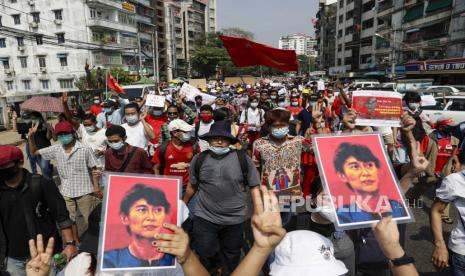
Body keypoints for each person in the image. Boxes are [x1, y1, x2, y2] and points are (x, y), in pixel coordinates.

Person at [190, 121, 260, 275]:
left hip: (235, 219)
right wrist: (181, 204)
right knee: (205, 254)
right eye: (215, 138)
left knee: (231, 255)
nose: (219, 141)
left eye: (223, 138)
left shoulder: (243, 159)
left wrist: (257, 212)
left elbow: (254, 186)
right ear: (208, 141)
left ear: (230, 141)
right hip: (205, 217)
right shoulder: (199, 159)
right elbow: (192, 186)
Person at [0, 145, 76, 276]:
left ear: (20, 162)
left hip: (45, 255)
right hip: (12, 258)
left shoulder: (41, 183)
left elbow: (61, 215)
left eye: (4, 166)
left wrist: (70, 244)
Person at [28, 121, 101, 242]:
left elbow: (94, 169)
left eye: (65, 133)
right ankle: (77, 242)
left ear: (72, 133)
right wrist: (31, 137)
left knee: (91, 219)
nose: (63, 136)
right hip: (66, 192)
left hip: (85, 191)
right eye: (60, 134)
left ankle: (95, 242)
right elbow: (34, 152)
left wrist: (97, 187)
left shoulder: (84, 149)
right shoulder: (56, 149)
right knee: (70, 220)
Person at [103, 184, 175, 268]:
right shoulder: (109, 260)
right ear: (125, 218)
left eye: (158, 210)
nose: (151, 217)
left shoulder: (175, 256)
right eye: (142, 210)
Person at [333, 143, 407, 223]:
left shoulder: (397, 206)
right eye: (355, 167)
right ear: (342, 176)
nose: (365, 172)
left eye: (369, 165)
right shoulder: (343, 216)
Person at [152, 119, 198, 204]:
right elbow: (156, 167)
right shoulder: (163, 148)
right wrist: (159, 184)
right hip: (168, 188)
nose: (188, 134)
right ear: (174, 133)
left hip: (188, 188)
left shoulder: (194, 147)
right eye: (185, 131)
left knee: (190, 215)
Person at [21, 111, 53, 179]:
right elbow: (20, 131)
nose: (32, 120)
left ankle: (49, 181)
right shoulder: (30, 126)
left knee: (44, 167)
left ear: (39, 118)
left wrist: (48, 129)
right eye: (31, 118)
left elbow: (48, 137)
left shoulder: (44, 125)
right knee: (42, 167)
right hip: (36, 150)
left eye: (34, 118)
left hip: (45, 149)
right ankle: (48, 179)